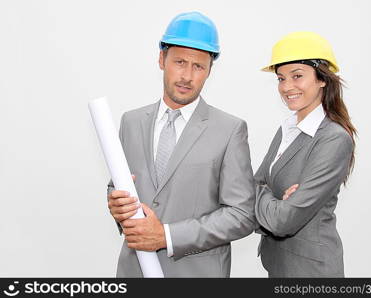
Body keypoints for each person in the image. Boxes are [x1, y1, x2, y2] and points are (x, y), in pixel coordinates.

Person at [106, 11, 256, 277]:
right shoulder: (131, 121)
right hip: (134, 271)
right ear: (162, 59)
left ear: (209, 70)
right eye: (180, 62)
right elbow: (117, 185)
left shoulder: (230, 130)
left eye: (198, 66)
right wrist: (116, 205)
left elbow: (242, 214)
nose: (187, 75)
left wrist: (166, 236)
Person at [255, 31, 357, 277]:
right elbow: (255, 183)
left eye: (297, 76)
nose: (287, 87)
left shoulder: (333, 138)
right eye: (281, 78)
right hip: (279, 266)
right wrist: (277, 199)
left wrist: (269, 199)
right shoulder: (287, 129)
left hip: (312, 272)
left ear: (322, 79)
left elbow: (283, 221)